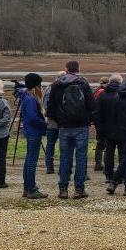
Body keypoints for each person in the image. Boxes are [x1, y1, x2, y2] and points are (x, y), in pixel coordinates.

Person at [46, 60, 95, 199]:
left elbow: (51, 107)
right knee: (81, 157)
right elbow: (92, 105)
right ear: (78, 69)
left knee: (65, 157)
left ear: (66, 69)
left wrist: (58, 121)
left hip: (64, 126)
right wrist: (89, 120)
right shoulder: (83, 83)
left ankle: (63, 189)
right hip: (81, 126)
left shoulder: (56, 84)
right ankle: (79, 190)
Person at [18, 73, 48, 199]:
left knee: (29, 160)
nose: (41, 87)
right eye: (39, 84)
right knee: (31, 161)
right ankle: (31, 188)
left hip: (31, 131)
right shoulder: (30, 98)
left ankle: (27, 188)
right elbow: (32, 118)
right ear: (36, 85)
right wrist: (44, 124)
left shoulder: (26, 96)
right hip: (34, 132)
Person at [94, 74, 122, 183]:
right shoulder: (122, 94)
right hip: (121, 128)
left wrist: (99, 129)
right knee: (122, 152)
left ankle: (109, 175)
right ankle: (120, 174)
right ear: (120, 82)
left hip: (106, 129)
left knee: (109, 152)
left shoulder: (102, 94)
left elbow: (97, 113)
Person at [43, 71, 65, 174]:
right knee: (63, 146)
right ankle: (62, 167)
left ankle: (49, 166)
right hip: (61, 122)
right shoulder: (63, 89)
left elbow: (46, 105)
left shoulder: (48, 88)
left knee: (50, 145)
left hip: (51, 121)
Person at [93, 77, 109, 171]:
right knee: (106, 144)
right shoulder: (103, 92)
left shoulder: (96, 91)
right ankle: (106, 165)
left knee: (99, 143)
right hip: (105, 121)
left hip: (97, 121)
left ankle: (98, 164)